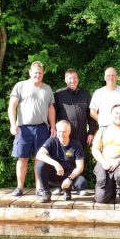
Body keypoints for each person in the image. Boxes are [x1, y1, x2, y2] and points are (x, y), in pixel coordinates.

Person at [8, 61, 56, 197]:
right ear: (30, 73)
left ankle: (39, 188)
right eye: (35, 72)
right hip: (23, 129)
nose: (38, 75)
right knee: (22, 158)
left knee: (40, 159)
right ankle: (19, 188)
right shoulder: (20, 86)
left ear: (43, 74)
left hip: (42, 128)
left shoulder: (47, 88)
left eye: (40, 73)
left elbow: (51, 108)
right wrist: (12, 124)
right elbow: (12, 105)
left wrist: (52, 126)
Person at [35, 120, 88, 202]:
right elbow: (39, 154)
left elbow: (80, 167)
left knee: (82, 183)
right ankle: (46, 192)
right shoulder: (52, 141)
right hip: (55, 174)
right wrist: (56, 164)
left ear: (69, 132)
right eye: (59, 131)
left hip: (69, 175)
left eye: (64, 132)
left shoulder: (76, 145)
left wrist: (69, 178)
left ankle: (67, 191)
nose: (61, 134)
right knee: (40, 165)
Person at [54, 69, 97, 153]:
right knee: (65, 159)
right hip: (65, 134)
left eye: (75, 78)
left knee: (81, 158)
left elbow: (91, 115)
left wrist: (91, 132)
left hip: (82, 134)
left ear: (78, 79)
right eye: (70, 78)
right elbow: (52, 114)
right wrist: (53, 130)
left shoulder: (85, 94)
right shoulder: (58, 94)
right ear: (66, 80)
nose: (73, 80)